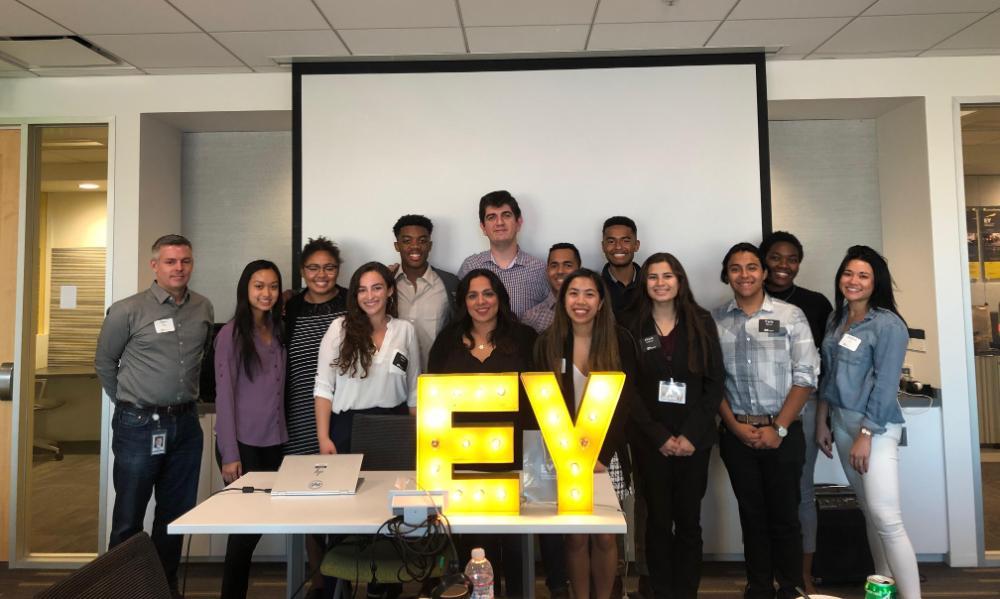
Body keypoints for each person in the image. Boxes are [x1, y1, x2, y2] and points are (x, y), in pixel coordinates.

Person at [95, 234, 214, 597]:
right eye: (171, 262)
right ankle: (123, 591)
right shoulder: (127, 310)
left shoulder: (204, 308)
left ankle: (164, 589)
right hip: (139, 426)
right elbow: (104, 362)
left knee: (175, 518)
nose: (179, 268)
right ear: (154, 265)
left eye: (185, 261)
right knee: (129, 517)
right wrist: (130, 403)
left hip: (185, 426)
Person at [712, 242, 819, 599]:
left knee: (786, 516)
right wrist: (734, 426)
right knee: (752, 516)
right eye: (736, 268)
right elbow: (712, 383)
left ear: (763, 273)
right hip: (737, 433)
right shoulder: (715, 320)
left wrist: (779, 428)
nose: (745, 275)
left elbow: (806, 376)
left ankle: (789, 587)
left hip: (784, 432)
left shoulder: (791, 316)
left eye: (752, 267)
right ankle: (758, 587)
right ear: (726, 274)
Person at [427, 269, 541, 597]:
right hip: (462, 457)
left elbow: (537, 400)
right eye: (473, 295)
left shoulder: (524, 337)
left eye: (488, 293)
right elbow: (433, 396)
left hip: (514, 454)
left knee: (516, 540)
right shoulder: (447, 339)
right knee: (473, 543)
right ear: (463, 301)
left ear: (500, 298)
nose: (481, 302)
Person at [817, 246, 921, 599]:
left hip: (874, 429)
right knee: (870, 515)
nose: (854, 281)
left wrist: (865, 434)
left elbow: (886, 382)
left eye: (863, 275)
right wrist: (822, 422)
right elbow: (827, 377)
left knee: (887, 519)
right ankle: (884, 589)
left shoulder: (889, 325)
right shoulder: (837, 318)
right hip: (842, 424)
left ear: (876, 282)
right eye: (848, 273)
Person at [623, 253, 724, 599]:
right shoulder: (632, 325)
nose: (660, 283)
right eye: (653, 277)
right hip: (651, 441)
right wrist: (660, 436)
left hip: (694, 441)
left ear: (679, 280)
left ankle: (686, 592)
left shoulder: (701, 320)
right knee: (657, 520)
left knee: (689, 521)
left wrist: (690, 435)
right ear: (644, 283)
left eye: (668, 276)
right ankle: (661, 591)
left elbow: (715, 383)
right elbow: (628, 389)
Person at [535, 268, 636, 599]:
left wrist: (601, 456)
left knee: (606, 536)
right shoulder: (547, 343)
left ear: (601, 302)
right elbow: (539, 405)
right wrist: (566, 454)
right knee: (576, 535)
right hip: (564, 457)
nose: (581, 301)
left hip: (608, 457)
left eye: (589, 294)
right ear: (563, 300)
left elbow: (625, 406)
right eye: (573, 293)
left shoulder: (620, 341)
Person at [760, 231, 833, 593]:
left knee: (801, 492)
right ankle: (771, 571)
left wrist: (823, 417)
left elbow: (825, 366)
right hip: (757, 413)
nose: (783, 266)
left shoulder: (815, 304)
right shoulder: (749, 299)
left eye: (791, 259)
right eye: (775, 257)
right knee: (765, 494)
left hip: (802, 408)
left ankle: (802, 573)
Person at [213, 260, 287, 599]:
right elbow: (223, 396)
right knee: (244, 530)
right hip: (243, 444)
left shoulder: (278, 327)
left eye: (273, 286)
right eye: (259, 286)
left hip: (276, 439)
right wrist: (229, 454)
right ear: (246, 288)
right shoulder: (231, 333)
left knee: (258, 522)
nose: (266, 293)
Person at [283, 236, 347, 598]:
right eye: (313, 268)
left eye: (329, 267)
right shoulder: (290, 308)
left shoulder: (350, 301)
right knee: (306, 496)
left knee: (341, 493)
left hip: (339, 408)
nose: (321, 275)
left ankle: (343, 575)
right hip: (298, 411)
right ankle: (319, 576)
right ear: (303, 271)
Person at [315, 262, 419, 455]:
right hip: (348, 428)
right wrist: (323, 438)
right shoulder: (339, 329)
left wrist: (418, 438)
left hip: (396, 428)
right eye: (362, 290)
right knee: (349, 485)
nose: (369, 296)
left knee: (392, 485)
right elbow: (323, 388)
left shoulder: (405, 330)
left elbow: (414, 392)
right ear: (356, 295)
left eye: (377, 288)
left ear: (389, 290)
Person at [457, 190, 548, 318]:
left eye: (506, 215)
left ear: (518, 223)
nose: (499, 222)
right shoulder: (470, 267)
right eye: (491, 217)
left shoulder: (540, 269)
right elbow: (461, 315)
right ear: (483, 227)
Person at [392, 214, 459, 370]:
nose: (415, 246)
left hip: (437, 377)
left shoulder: (450, 284)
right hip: (394, 380)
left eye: (422, 241)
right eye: (407, 241)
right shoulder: (385, 284)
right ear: (397, 246)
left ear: (430, 245)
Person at [522, 242, 580, 334]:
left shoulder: (592, 310)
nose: (560, 271)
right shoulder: (532, 317)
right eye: (554, 265)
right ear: (547, 270)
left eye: (568, 265)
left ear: (579, 270)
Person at [600, 216, 642, 315]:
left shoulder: (651, 284)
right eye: (611, 241)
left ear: (636, 245)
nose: (618, 246)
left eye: (625, 241)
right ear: (603, 246)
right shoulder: (595, 287)